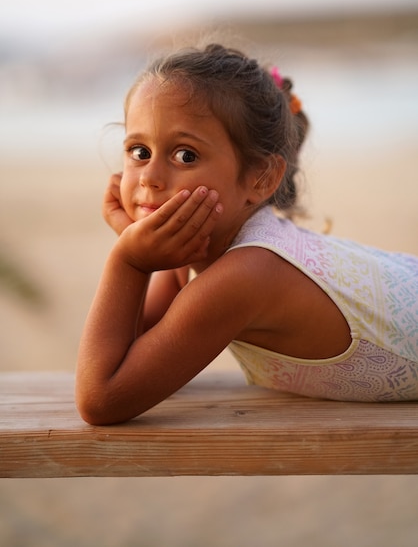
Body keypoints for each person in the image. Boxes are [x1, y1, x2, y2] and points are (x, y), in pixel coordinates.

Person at [76, 43, 418, 425]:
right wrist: (143, 252)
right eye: (139, 151)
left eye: (185, 155)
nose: (151, 178)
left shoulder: (248, 273)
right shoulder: (209, 252)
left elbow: (100, 398)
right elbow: (132, 346)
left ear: (261, 177)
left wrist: (129, 261)